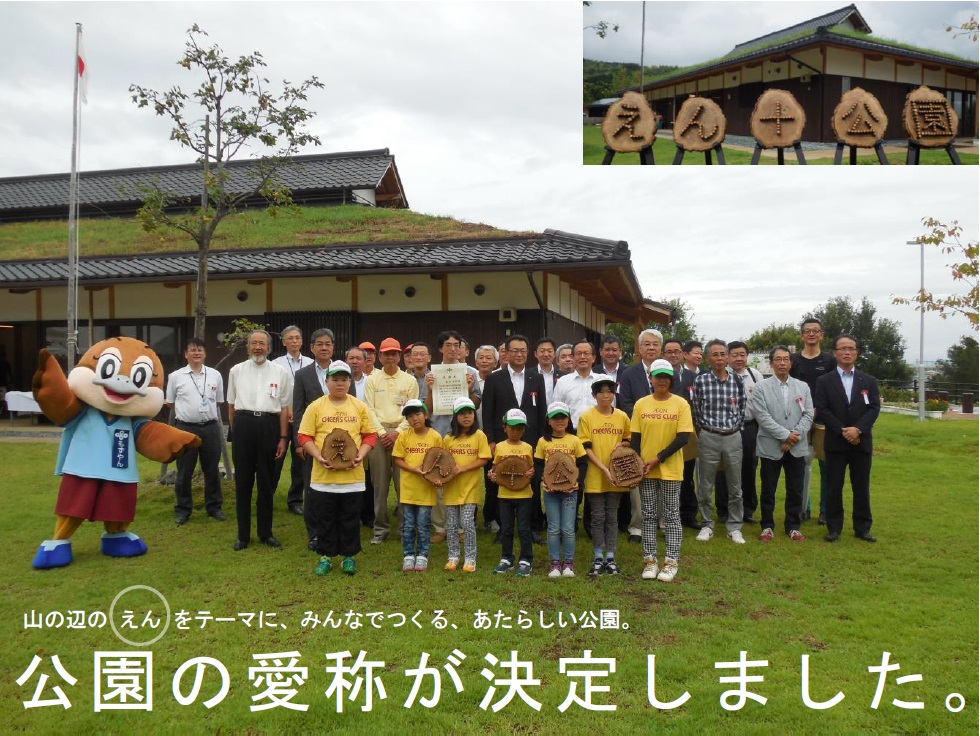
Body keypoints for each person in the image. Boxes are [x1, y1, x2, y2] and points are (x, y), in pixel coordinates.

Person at [297, 360, 376, 576]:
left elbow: (370, 434)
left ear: (350, 382)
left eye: (344, 379)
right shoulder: (316, 406)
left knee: (350, 516)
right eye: (335, 379)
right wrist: (318, 455)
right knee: (326, 516)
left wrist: (361, 454)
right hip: (324, 476)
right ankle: (326, 556)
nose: (339, 383)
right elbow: (304, 435)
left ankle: (349, 557)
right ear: (327, 381)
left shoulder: (359, 407)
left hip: (353, 476)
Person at [226, 329, 291, 551]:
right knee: (243, 483)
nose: (257, 347)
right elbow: (231, 405)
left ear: (269, 347)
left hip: (269, 425)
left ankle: (266, 532)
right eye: (253, 343)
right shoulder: (236, 371)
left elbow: (284, 409)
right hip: (244, 425)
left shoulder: (280, 372)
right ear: (247, 347)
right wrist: (236, 432)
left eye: (261, 343)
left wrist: (283, 437)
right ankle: (243, 535)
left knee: (266, 482)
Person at [814, 334, 881, 543]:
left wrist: (857, 430)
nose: (847, 352)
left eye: (851, 348)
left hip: (861, 441)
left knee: (861, 486)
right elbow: (822, 408)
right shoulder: (824, 381)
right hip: (835, 441)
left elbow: (874, 408)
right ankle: (834, 527)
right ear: (835, 353)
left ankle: (862, 528)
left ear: (857, 353)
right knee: (834, 486)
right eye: (842, 348)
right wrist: (843, 430)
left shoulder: (868, 380)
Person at [631, 359, 692, 581]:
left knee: (671, 515)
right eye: (658, 376)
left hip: (670, 468)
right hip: (646, 470)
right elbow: (635, 438)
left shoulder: (681, 404)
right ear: (651, 378)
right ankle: (649, 560)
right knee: (647, 515)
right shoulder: (641, 404)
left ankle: (671, 561)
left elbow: (683, 437)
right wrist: (638, 462)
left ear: (671, 379)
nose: (662, 380)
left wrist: (658, 458)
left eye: (666, 377)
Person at [482, 334, 548, 538]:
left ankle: (533, 527)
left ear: (528, 354)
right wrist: (491, 440)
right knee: (500, 481)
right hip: (502, 440)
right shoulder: (494, 378)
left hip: (530, 439)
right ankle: (504, 527)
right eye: (515, 351)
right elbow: (487, 411)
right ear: (506, 353)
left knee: (532, 480)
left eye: (523, 351)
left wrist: (541, 440)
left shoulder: (536, 377)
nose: (519, 355)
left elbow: (541, 409)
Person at [423, 330, 482, 542]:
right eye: (448, 345)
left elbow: (475, 404)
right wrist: (430, 390)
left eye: (456, 344)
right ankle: (441, 528)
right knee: (439, 480)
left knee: (462, 479)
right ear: (440, 349)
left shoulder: (470, 373)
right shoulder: (431, 374)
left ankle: (462, 528)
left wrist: (468, 389)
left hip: (464, 436)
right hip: (439, 432)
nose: (453, 348)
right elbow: (426, 409)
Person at [752, 346, 813, 542]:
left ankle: (793, 526)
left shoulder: (802, 387)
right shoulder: (761, 387)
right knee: (768, 488)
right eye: (777, 359)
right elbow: (762, 416)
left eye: (786, 359)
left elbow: (809, 413)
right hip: (771, 445)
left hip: (796, 446)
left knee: (795, 488)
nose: (782, 363)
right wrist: (785, 435)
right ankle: (767, 526)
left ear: (791, 363)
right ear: (771, 364)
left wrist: (795, 435)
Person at [363, 337, 419, 545]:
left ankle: (405, 529)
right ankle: (380, 528)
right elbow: (368, 409)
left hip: (403, 434)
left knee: (403, 483)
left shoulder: (409, 380)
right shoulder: (372, 380)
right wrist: (381, 433)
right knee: (379, 485)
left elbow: (413, 410)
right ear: (380, 356)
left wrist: (398, 432)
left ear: (400, 356)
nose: (390, 357)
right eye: (386, 354)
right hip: (378, 435)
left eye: (394, 353)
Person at [165, 337, 226, 525]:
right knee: (184, 471)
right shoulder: (176, 376)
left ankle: (214, 507)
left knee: (212, 470)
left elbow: (219, 401)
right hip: (185, 428)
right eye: (192, 350)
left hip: (210, 427)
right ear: (186, 354)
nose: (196, 353)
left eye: (200, 349)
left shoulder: (215, 374)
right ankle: (183, 510)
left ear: (205, 353)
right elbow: (170, 402)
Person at [692, 340, 746, 544]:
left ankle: (735, 526)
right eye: (715, 354)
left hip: (733, 436)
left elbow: (742, 408)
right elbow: (696, 409)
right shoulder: (701, 381)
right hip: (709, 436)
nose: (720, 358)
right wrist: (706, 430)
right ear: (708, 358)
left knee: (735, 485)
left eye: (723, 354)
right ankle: (707, 524)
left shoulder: (737, 381)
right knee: (705, 484)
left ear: (728, 357)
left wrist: (736, 429)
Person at [577, 377, 631, 576]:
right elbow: (586, 448)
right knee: (598, 517)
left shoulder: (623, 416)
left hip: (618, 476)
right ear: (594, 395)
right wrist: (604, 469)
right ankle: (598, 556)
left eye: (610, 391)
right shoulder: (587, 417)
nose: (606, 395)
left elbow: (628, 439)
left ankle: (611, 557)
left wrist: (622, 445)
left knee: (612, 517)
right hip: (595, 474)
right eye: (601, 392)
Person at [615, 328, 663, 542]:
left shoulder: (668, 371)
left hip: (665, 434)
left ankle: (661, 522)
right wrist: (646, 419)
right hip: (639, 435)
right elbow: (624, 403)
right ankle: (637, 526)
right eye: (647, 344)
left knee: (664, 478)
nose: (651, 347)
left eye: (655, 344)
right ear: (640, 348)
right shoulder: (629, 374)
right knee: (638, 478)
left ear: (660, 348)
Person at [290, 329, 336, 543]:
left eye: (328, 344)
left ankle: (336, 528)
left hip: (341, 440)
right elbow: (297, 411)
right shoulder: (302, 375)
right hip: (313, 441)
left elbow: (353, 404)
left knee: (339, 485)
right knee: (312, 487)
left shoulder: (341, 371)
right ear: (312, 347)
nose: (324, 347)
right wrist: (300, 442)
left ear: (333, 347)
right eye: (320, 344)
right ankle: (315, 534)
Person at [790, 317, 837, 525]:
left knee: (826, 466)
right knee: (800, 465)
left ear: (821, 335)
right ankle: (803, 507)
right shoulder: (793, 360)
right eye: (807, 331)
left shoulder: (830, 361)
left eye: (815, 331)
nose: (811, 334)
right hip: (798, 420)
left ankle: (825, 510)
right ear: (802, 335)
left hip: (824, 421)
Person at [535, 401, 587, 578]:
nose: (559, 421)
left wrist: (577, 481)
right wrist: (543, 480)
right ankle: (555, 563)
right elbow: (539, 464)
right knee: (553, 528)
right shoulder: (543, 441)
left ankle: (569, 563)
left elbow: (582, 463)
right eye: (555, 418)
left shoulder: (574, 440)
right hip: (550, 492)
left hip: (570, 491)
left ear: (568, 420)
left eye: (563, 417)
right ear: (548, 421)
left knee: (568, 528)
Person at [442, 397, 491, 573]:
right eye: (462, 413)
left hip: (470, 488)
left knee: (468, 522)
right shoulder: (448, 438)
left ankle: (470, 558)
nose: (466, 417)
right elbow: (442, 461)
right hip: (451, 488)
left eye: (469, 412)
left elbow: (484, 458)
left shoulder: (479, 436)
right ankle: (453, 556)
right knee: (452, 524)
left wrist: (462, 469)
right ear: (455, 417)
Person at [392, 399, 442, 571]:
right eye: (410, 416)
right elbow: (398, 459)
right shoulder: (404, 436)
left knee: (423, 524)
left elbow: (440, 459)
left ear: (426, 415)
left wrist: (435, 477)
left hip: (426, 490)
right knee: (409, 524)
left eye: (418, 414)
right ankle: (408, 555)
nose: (415, 419)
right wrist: (413, 469)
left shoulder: (435, 436)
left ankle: (422, 555)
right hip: (408, 489)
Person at [716, 341, 762, 524]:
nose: (739, 358)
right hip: (726, 429)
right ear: (728, 357)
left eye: (742, 355)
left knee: (749, 468)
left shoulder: (755, 375)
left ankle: (748, 508)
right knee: (724, 469)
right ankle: (724, 509)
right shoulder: (720, 375)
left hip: (750, 427)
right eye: (734, 355)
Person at [272, 325, 314, 515]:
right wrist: (287, 410)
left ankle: (295, 499)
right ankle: (267, 494)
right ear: (283, 342)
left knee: (300, 460)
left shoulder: (310, 363)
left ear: (302, 341)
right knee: (276, 458)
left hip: (303, 419)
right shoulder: (275, 364)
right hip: (281, 416)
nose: (294, 341)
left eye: (297, 338)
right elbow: (274, 392)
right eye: (290, 338)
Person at [488, 409, 535, 576]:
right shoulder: (499, 447)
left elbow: (531, 469)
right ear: (505, 428)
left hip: (524, 495)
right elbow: (496, 468)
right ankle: (506, 558)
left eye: (520, 428)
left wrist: (531, 473)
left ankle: (526, 559)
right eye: (512, 427)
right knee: (506, 528)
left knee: (523, 528)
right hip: (504, 495)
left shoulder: (528, 447)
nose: (516, 431)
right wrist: (492, 475)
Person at [664, 338, 700, 529]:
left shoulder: (692, 377)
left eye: (676, 351)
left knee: (687, 475)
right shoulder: (659, 377)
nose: (673, 355)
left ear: (682, 354)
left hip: (687, 432)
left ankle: (689, 514)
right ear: (664, 355)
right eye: (669, 352)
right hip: (663, 431)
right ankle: (668, 514)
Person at [554, 339, 600, 427]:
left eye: (586, 353)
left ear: (593, 358)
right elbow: (556, 410)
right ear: (573, 357)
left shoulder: (602, 380)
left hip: (598, 432)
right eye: (578, 354)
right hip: (571, 434)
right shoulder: (562, 382)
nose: (582, 357)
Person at [533, 337, 563, 405]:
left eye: (549, 351)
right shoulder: (529, 375)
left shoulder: (563, 376)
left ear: (555, 354)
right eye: (542, 351)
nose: (546, 354)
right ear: (535, 354)